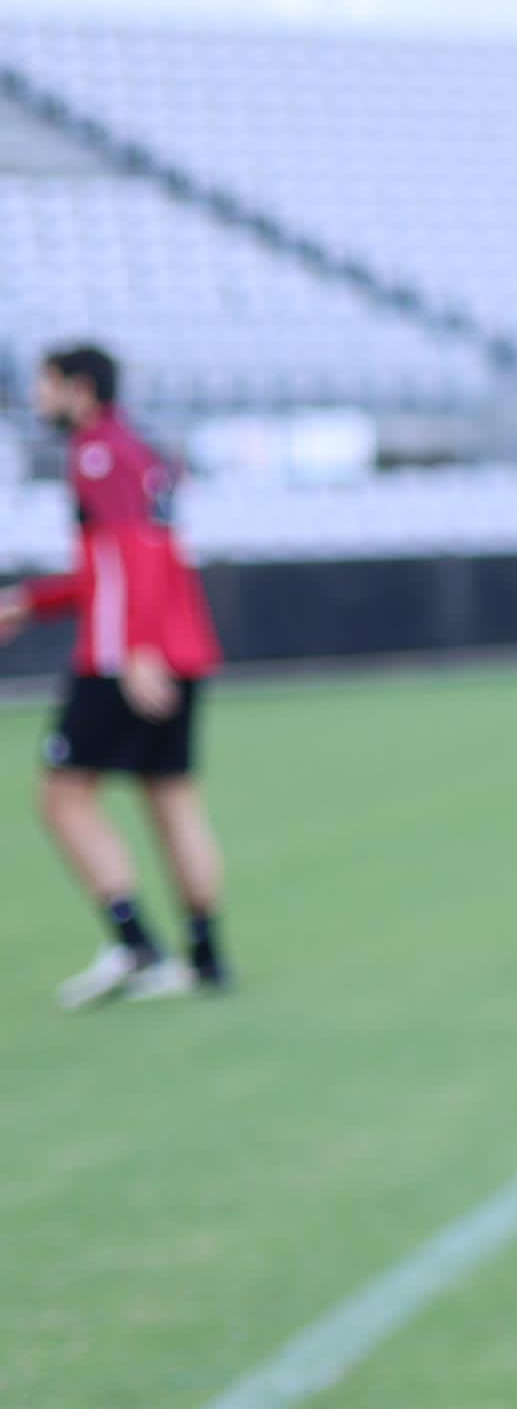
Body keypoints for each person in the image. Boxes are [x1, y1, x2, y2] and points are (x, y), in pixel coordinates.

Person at [18, 343, 232, 1006]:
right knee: (172, 796)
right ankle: (205, 957)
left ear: (79, 388)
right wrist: (30, 603)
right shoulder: (141, 450)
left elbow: (131, 555)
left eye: (46, 385)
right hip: (181, 645)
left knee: (62, 797)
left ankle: (135, 946)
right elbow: (118, 564)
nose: (36, 398)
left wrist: (136, 649)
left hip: (122, 656)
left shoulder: (99, 453)